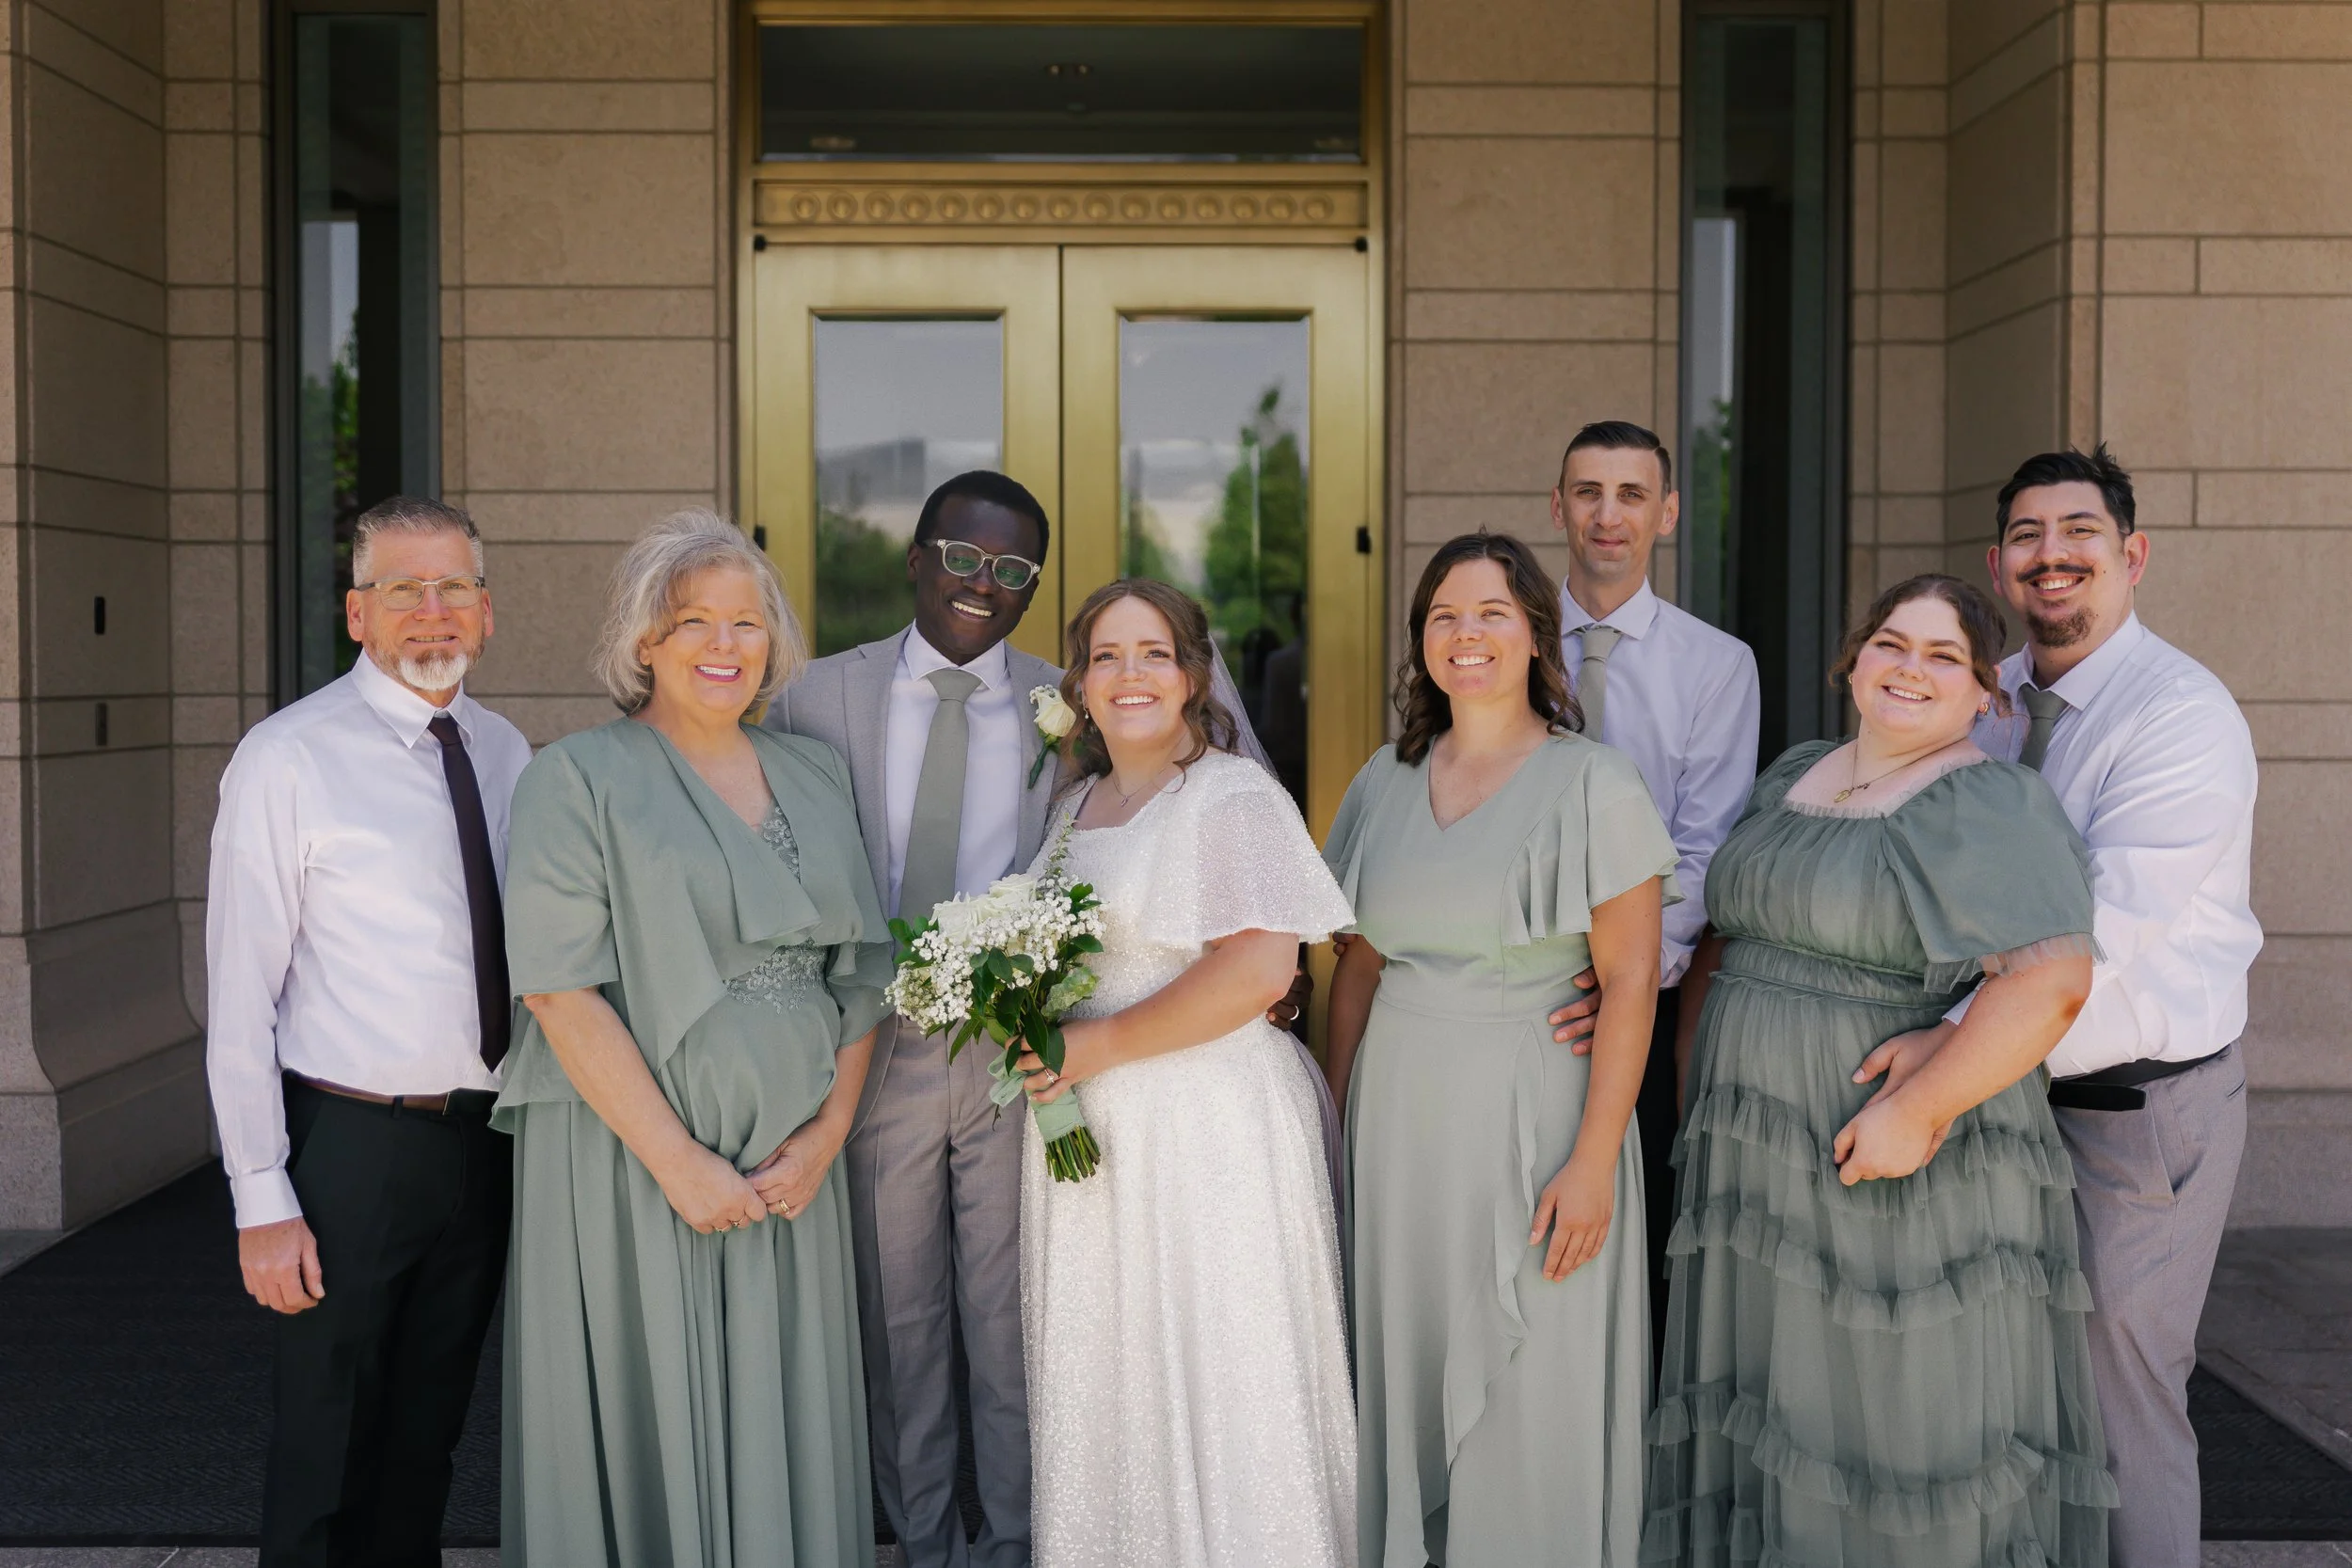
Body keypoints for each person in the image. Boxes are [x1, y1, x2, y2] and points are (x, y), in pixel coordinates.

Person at [1643, 573, 2115, 1566]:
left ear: (1987, 695)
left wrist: (1923, 1105)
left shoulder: (1987, 800)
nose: (1909, 668)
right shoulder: (1794, 774)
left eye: (1945, 656)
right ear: (1854, 657)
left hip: (1891, 1143)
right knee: (1776, 1394)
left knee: (1888, 1407)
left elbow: (2052, 981)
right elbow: (1728, 934)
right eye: (1892, 643)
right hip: (1757, 1148)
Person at [495, 511, 892, 1566]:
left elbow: (859, 975)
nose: (724, 645)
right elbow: (558, 988)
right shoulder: (572, 776)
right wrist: (679, 1161)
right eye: (693, 622)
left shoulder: (812, 772)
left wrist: (826, 1136)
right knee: (649, 1393)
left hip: (789, 1172)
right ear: (644, 641)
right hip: (629, 1160)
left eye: (746, 623)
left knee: (782, 1401)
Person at [1322, 531, 1676, 1567]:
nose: (1465, 634)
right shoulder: (1382, 779)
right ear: (1420, 640)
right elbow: (1356, 968)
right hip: (1399, 1124)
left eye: (1489, 612)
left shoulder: (1593, 781)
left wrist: (1597, 1160)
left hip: (1544, 1120)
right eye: (1443, 614)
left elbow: (1626, 987)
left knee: (1534, 1376)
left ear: (1533, 632)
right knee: (1410, 1362)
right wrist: (1337, 1121)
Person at [205, 495, 530, 1568]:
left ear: (485, 612)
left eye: (452, 589)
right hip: (348, 1147)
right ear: (358, 610)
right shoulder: (286, 757)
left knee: (427, 1438)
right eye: (403, 588)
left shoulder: (506, 750)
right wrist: (262, 1198)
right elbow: (238, 996)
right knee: (324, 1445)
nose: (430, 612)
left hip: (485, 1143)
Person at [1943, 445, 2251, 1568]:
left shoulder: (2180, 714)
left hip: (2137, 1115)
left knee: (2122, 1401)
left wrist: (1940, 1048)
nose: (2051, 553)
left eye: (2078, 531)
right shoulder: (1990, 703)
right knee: (2019, 1395)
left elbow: (2101, 933)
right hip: (2005, 1097)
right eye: (2027, 535)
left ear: (2131, 555)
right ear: (1998, 562)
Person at [1011, 578, 1358, 1568]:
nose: (1129, 674)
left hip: (1207, 1130)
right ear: (1078, 682)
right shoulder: (1075, 802)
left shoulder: (1231, 794)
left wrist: (1093, 1048)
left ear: (1193, 674)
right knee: (1111, 1378)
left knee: (1217, 1373)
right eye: (1107, 655)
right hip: (1091, 1138)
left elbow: (1260, 970)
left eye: (1152, 652)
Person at [763, 469, 1062, 1568]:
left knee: (1009, 1315)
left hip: (1009, 1051)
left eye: (1012, 568)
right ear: (917, 559)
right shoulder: (811, 699)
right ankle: (928, 1541)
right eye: (963, 557)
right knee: (898, 1324)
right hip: (867, 1051)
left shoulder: (1066, 700)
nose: (982, 584)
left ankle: (1022, 1537)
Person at [1545, 420, 1761, 1361]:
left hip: (1633, 1000)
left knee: (1628, 1236)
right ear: (1557, 507)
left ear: (1666, 513)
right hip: (1504, 989)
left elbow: (1704, 846)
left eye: (1631, 494)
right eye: (1587, 491)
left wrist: (1619, 977)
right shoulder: (1496, 643)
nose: (1607, 514)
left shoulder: (1716, 665)